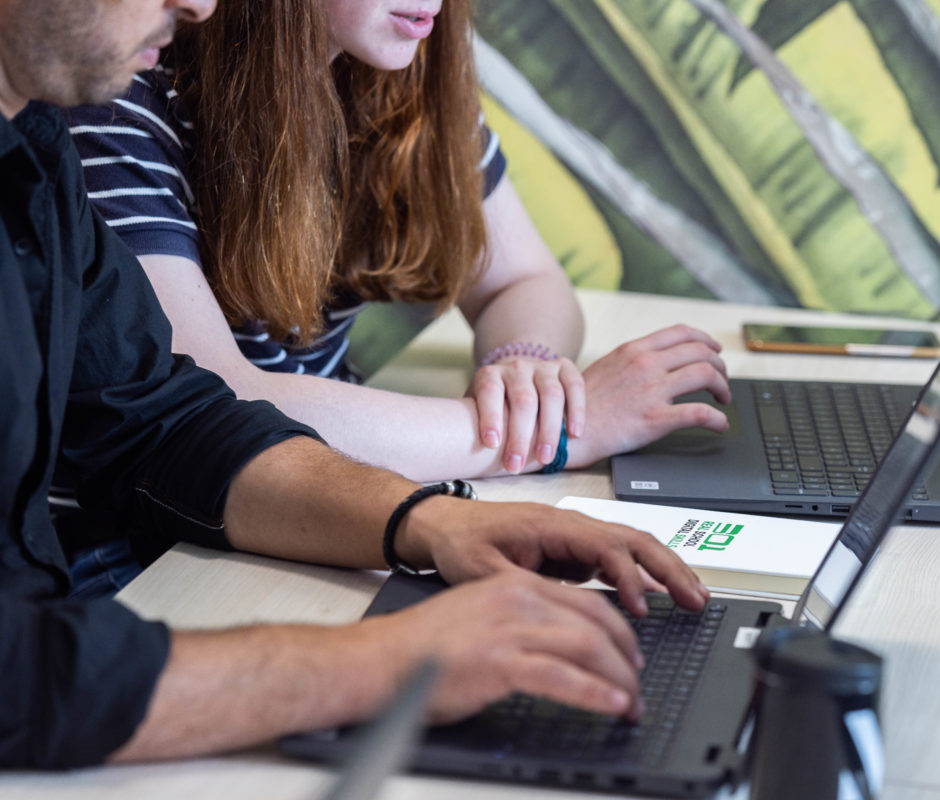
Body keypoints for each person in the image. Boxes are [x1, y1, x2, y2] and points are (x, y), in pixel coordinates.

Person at [0, 0, 710, 769]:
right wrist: (388, 662)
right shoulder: (108, 108)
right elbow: (20, 674)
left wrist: (431, 522)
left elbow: (167, 423)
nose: (203, 4)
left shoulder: (32, 151)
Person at [65, 0, 732, 485]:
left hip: (326, 489)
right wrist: (540, 434)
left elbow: (522, 279)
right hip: (162, 550)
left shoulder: (400, 80)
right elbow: (215, 404)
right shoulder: (117, 106)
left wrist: (522, 369)